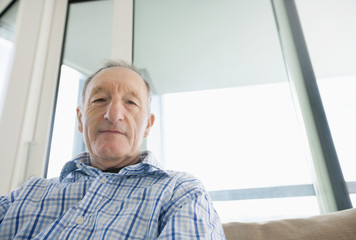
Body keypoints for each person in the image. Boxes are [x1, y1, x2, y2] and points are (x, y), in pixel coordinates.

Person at [0, 60, 226, 239]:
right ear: (80, 119)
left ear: (147, 125)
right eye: (99, 100)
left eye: (131, 103)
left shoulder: (181, 192)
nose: (113, 114)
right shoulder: (28, 193)